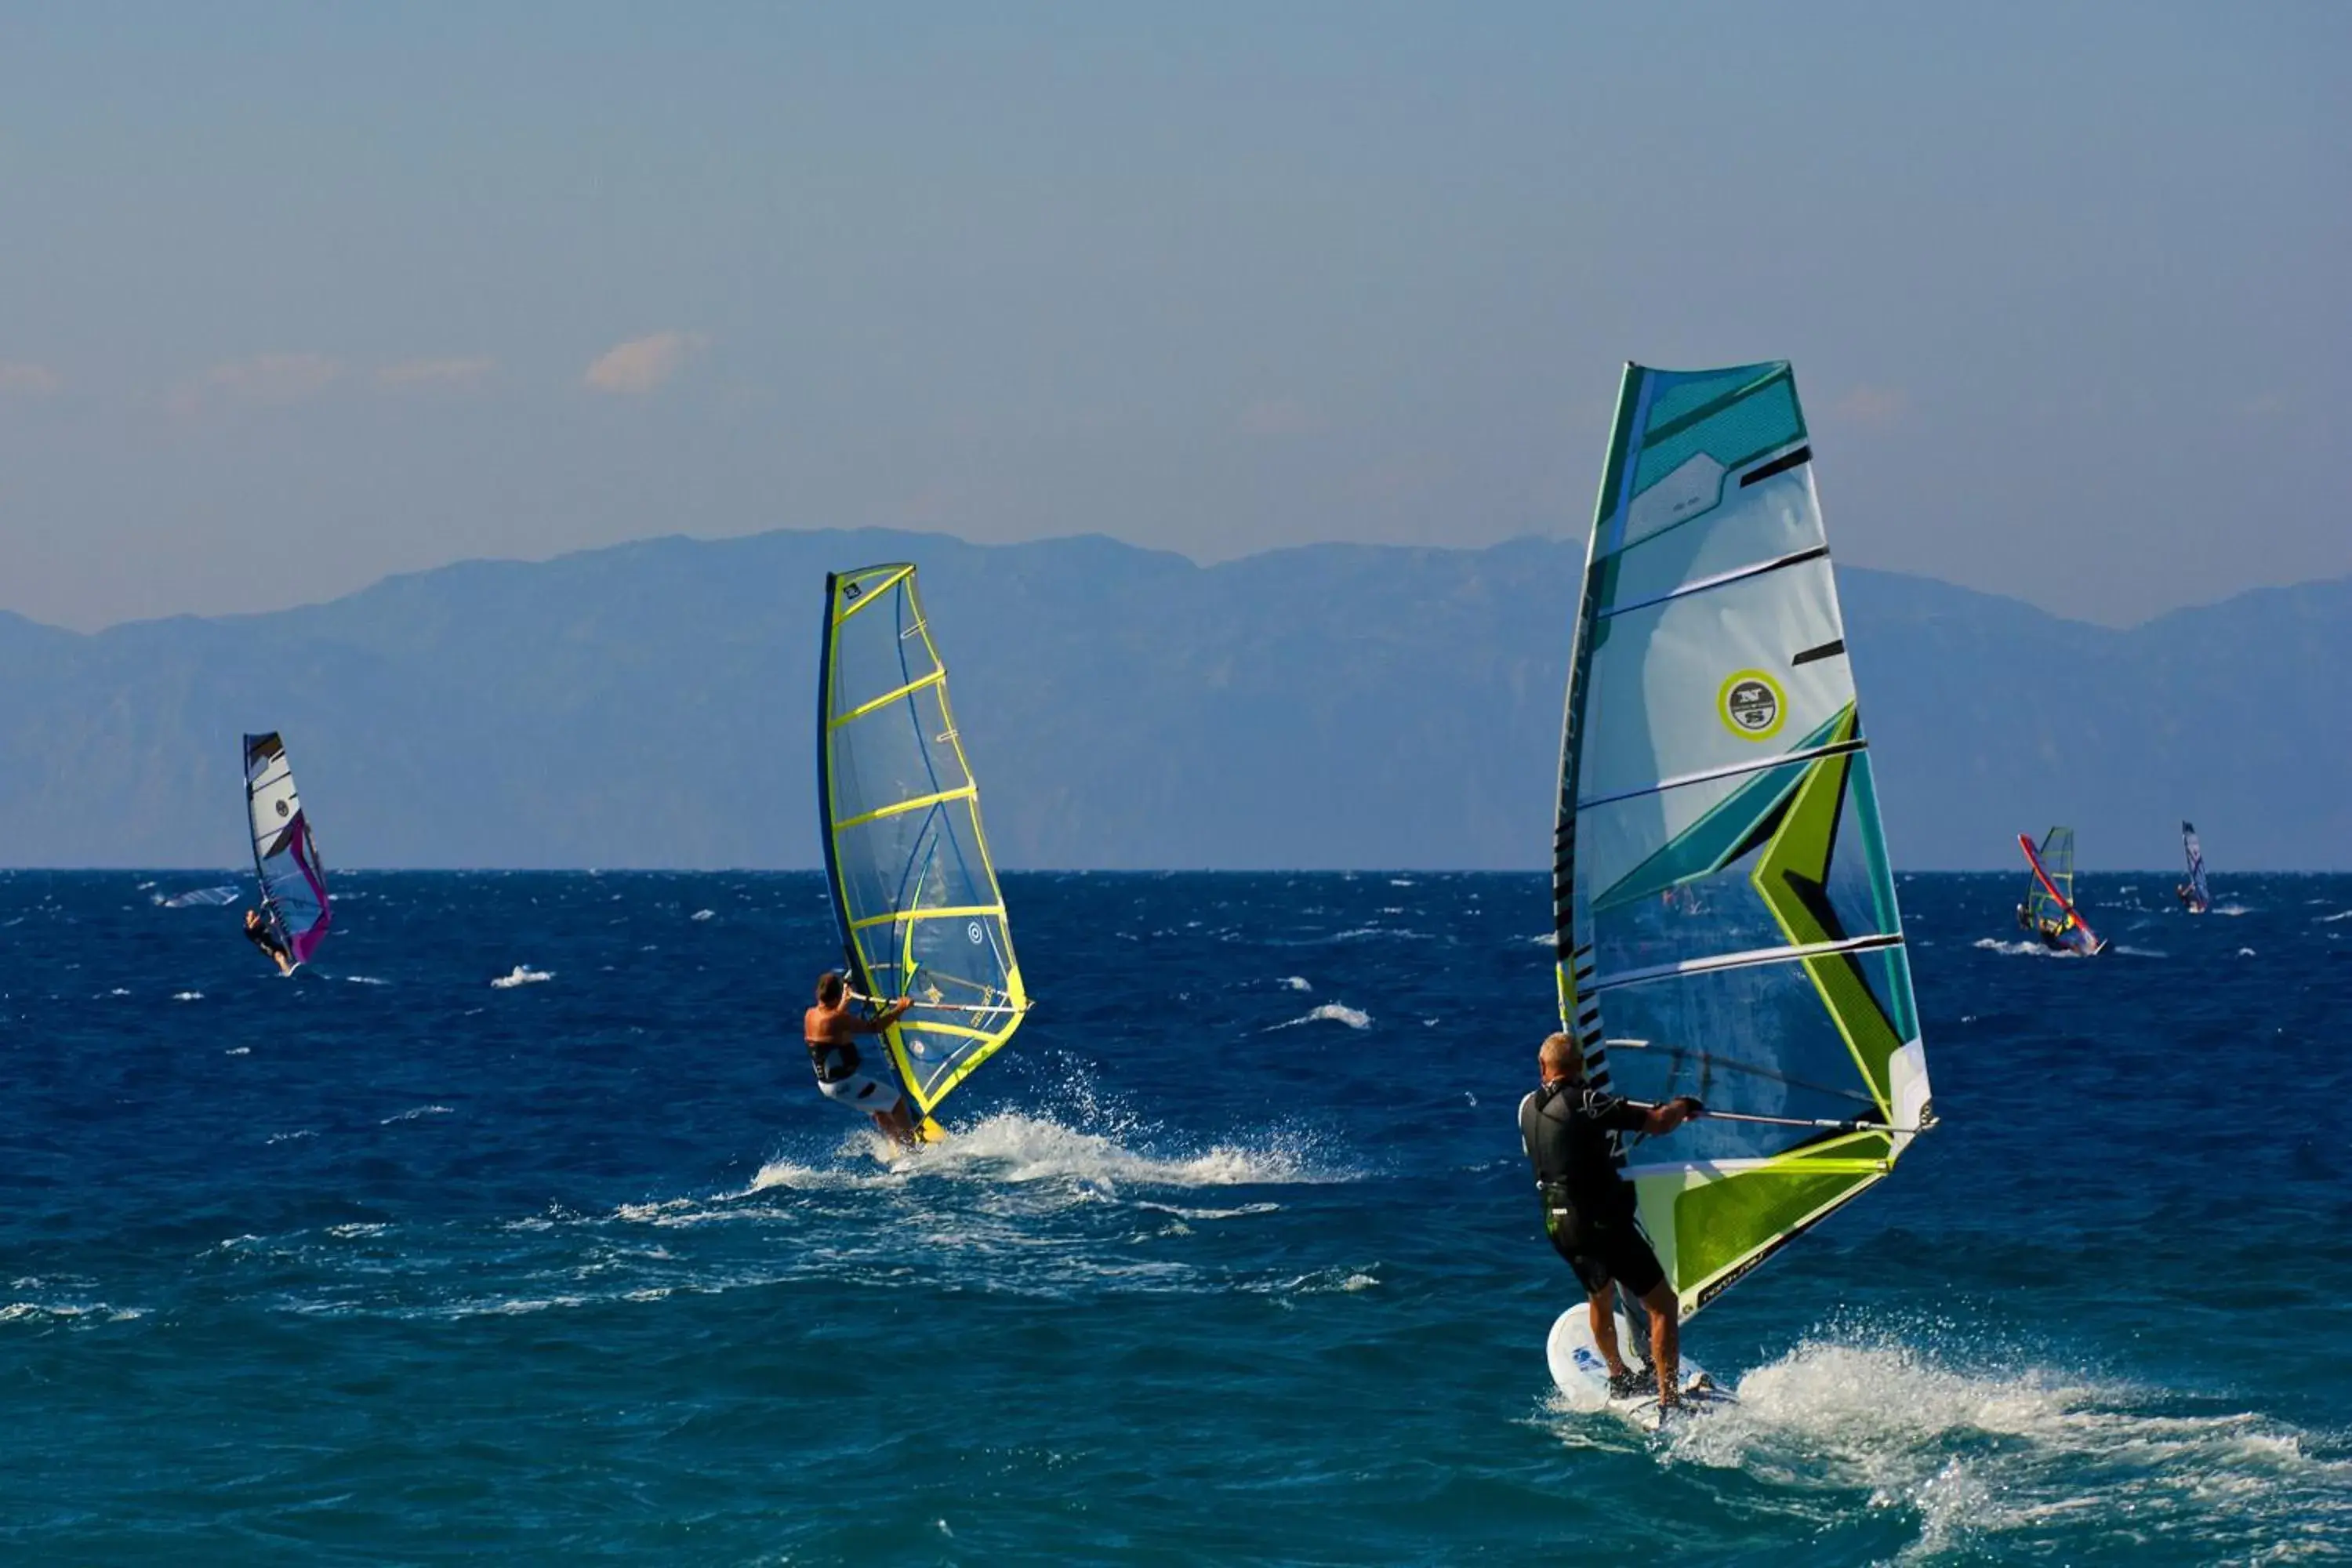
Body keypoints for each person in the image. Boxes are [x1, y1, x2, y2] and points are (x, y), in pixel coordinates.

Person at [1519, 1032, 1704, 1414]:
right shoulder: (1588, 1102)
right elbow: (1657, 1123)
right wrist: (1683, 1104)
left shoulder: (1526, 1107)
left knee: (1599, 1294)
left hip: (1558, 1225)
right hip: (1600, 1224)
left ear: (1543, 1067)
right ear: (1581, 1067)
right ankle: (1669, 1400)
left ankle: (1619, 1376)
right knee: (1662, 1305)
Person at [803, 971, 920, 1148]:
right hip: (845, 1084)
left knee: (879, 1109)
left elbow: (832, 1024)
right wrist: (901, 1008)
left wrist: (844, 1001)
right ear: (835, 997)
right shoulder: (836, 1019)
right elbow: (875, 1027)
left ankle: (897, 1143)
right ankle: (912, 1149)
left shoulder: (810, 1014)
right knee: (897, 1103)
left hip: (827, 1086)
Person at [243, 908, 293, 976]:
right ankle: (288, 973)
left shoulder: (260, 925)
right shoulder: (247, 928)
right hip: (265, 946)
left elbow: (270, 928)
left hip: (272, 943)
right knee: (279, 956)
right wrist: (262, 912)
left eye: (255, 916)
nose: (255, 918)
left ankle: (294, 963)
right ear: (247, 919)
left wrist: (274, 924)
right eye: (252, 917)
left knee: (289, 949)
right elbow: (252, 926)